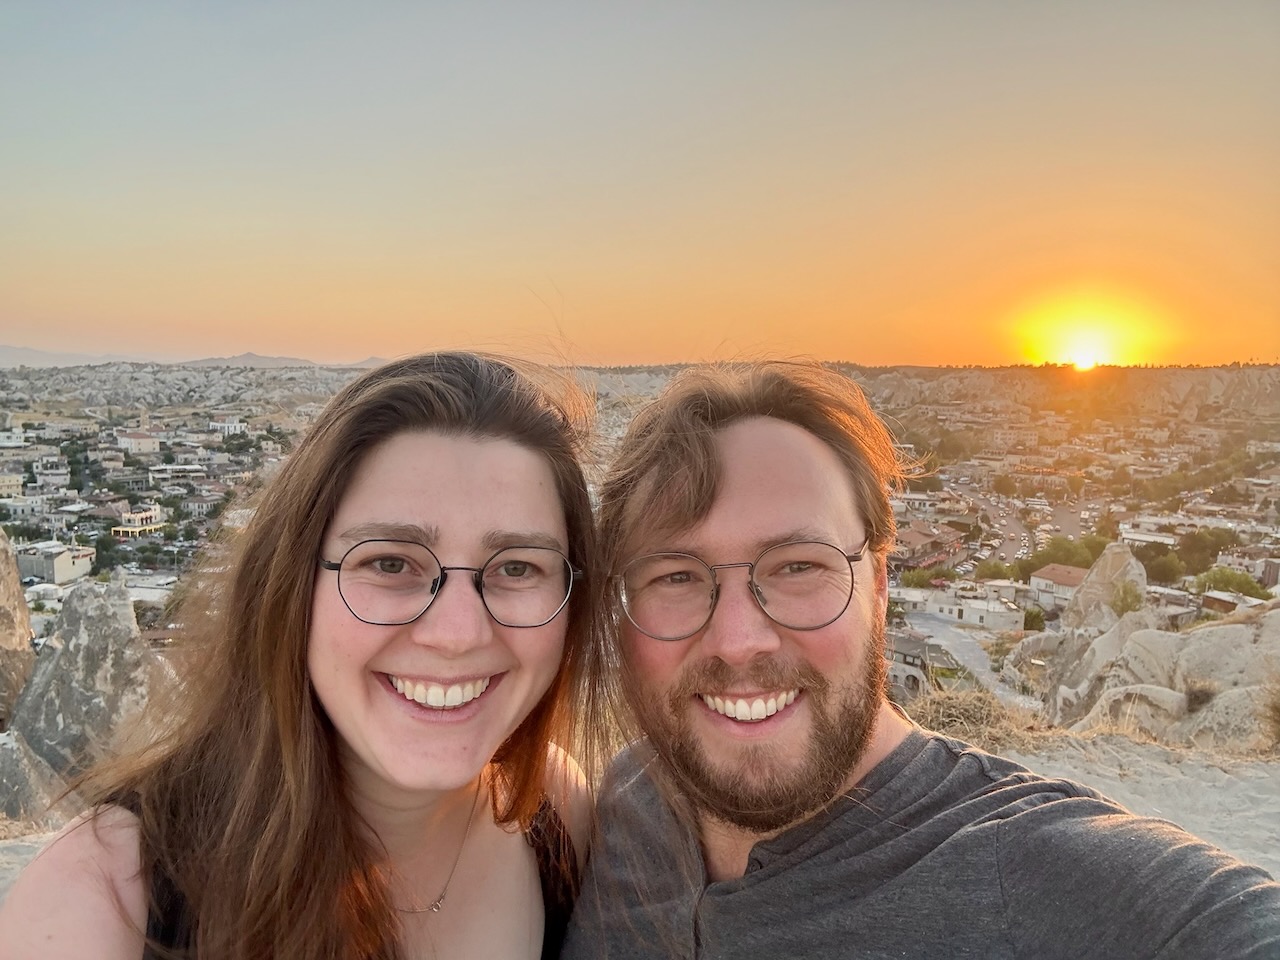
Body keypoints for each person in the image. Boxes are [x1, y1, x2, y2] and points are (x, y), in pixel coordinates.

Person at [564, 360, 1280, 960]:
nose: (738, 639)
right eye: (676, 577)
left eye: (798, 567)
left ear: (879, 585)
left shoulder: (1040, 874)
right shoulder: (629, 801)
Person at [0, 352, 601, 959]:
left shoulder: (555, 808)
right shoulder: (97, 907)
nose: (457, 634)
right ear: (290, 586)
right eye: (389, 562)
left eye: (517, 568)